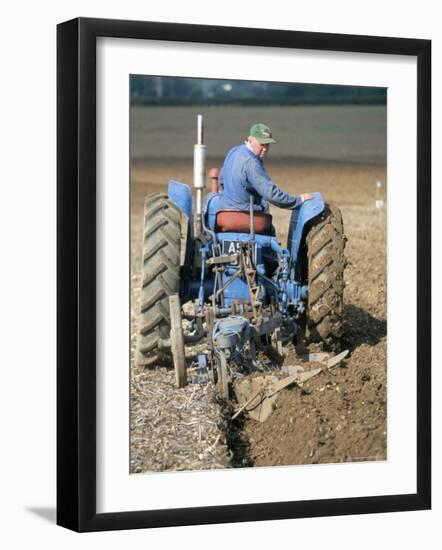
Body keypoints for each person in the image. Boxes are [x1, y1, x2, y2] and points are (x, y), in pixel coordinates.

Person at [219, 123, 312, 212]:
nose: (265, 149)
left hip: (224, 210)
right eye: (261, 144)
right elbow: (270, 194)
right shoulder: (251, 162)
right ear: (250, 140)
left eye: (267, 144)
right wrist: (298, 200)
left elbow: (221, 181)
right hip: (245, 213)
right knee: (265, 210)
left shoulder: (234, 151)